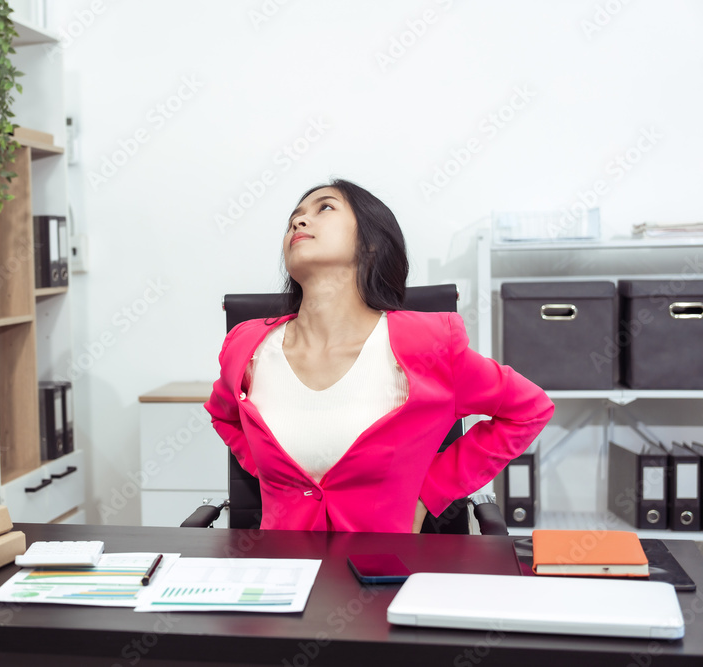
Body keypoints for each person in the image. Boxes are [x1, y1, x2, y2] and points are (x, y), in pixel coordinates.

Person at [204, 179, 554, 532]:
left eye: (325, 207)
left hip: (384, 562)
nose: (298, 221)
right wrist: (273, 475)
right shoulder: (246, 346)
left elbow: (528, 410)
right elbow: (223, 415)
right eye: (294, 217)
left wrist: (429, 493)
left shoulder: (428, 344)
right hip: (281, 561)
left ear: (371, 244)